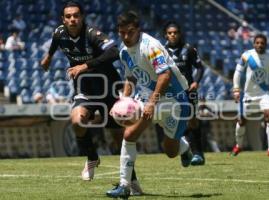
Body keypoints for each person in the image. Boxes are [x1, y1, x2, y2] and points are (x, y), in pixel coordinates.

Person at [40, 2, 142, 194]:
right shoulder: (59, 32)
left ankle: (132, 180)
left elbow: (113, 52)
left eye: (76, 15)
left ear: (82, 17)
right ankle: (92, 157)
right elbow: (55, 42)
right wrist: (48, 57)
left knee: (118, 136)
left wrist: (85, 66)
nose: (72, 19)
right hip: (85, 87)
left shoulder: (92, 34)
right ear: (63, 19)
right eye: (68, 16)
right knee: (77, 122)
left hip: (108, 87)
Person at [106, 11, 193, 198]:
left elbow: (165, 75)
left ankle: (184, 148)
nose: (126, 37)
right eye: (122, 33)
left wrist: (152, 103)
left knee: (170, 151)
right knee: (129, 134)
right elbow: (130, 76)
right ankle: (125, 186)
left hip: (174, 102)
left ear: (138, 29)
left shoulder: (151, 46)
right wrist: (125, 99)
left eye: (130, 32)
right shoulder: (123, 50)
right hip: (146, 98)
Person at [158, 21, 205, 165]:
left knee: (192, 121)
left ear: (179, 34)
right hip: (171, 93)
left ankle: (198, 154)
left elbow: (200, 67)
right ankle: (185, 152)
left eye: (175, 32)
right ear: (166, 35)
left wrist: (196, 81)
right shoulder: (161, 51)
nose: (172, 35)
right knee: (177, 122)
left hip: (188, 91)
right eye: (170, 33)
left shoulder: (189, 49)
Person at [231, 34, 269, 157]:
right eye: (257, 42)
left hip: (264, 93)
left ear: (265, 44)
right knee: (241, 121)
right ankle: (238, 146)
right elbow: (237, 72)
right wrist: (236, 89)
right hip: (248, 94)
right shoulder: (247, 56)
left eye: (262, 43)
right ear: (254, 44)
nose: (260, 45)